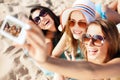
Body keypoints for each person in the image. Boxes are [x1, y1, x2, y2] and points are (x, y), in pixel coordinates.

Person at [24, 18, 120, 80]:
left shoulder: (117, 64)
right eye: (87, 37)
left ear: (112, 41)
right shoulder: (91, 57)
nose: (90, 43)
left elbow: (93, 71)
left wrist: (45, 61)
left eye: (98, 39)